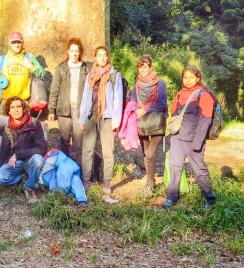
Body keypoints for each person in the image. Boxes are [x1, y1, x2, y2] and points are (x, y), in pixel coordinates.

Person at [163, 65, 216, 209]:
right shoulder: (180, 94)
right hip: (178, 138)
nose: (188, 80)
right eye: (185, 77)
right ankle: (171, 196)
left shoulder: (203, 95)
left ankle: (209, 199)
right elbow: (174, 114)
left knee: (198, 170)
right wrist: (172, 135)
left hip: (194, 140)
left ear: (198, 78)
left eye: (191, 77)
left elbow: (206, 120)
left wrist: (198, 143)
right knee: (175, 167)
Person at [78, 46, 123, 202]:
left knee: (108, 152)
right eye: (99, 56)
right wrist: (82, 118)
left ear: (108, 57)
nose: (102, 58)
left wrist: (116, 121)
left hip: (107, 117)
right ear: (95, 58)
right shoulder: (91, 75)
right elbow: (85, 98)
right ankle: (86, 180)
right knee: (87, 150)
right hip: (91, 116)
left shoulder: (114, 75)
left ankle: (106, 183)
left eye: (105, 56)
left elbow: (118, 99)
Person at [0, 96, 47, 206]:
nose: (16, 110)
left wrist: (17, 154)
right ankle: (23, 178)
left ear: (23, 109)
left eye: (18, 106)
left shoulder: (33, 123)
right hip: (17, 164)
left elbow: (41, 149)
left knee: (38, 160)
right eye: (13, 107)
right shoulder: (8, 128)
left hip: (31, 160)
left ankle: (30, 188)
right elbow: (3, 154)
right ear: (9, 111)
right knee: (0, 178)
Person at [48, 38, 91, 167]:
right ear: (67, 51)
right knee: (65, 141)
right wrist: (51, 109)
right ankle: (65, 168)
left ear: (80, 52)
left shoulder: (86, 69)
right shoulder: (61, 68)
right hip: (63, 109)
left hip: (79, 109)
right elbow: (54, 89)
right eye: (72, 51)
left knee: (79, 141)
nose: (74, 54)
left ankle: (78, 169)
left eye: (76, 51)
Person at [129, 55, 168, 195]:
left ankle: (151, 184)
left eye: (146, 66)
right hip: (142, 124)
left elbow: (162, 104)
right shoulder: (137, 86)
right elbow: (133, 103)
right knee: (146, 154)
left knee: (151, 153)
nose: (143, 69)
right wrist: (135, 109)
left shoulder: (160, 83)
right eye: (141, 66)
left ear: (150, 67)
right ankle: (150, 182)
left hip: (157, 123)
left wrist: (145, 109)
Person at [0, 32, 46, 113]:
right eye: (14, 42)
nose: (16, 45)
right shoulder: (3, 59)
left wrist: (31, 67)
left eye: (19, 42)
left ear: (22, 43)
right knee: (5, 125)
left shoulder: (29, 57)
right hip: (6, 103)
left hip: (23, 103)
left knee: (24, 126)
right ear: (10, 44)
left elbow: (42, 74)